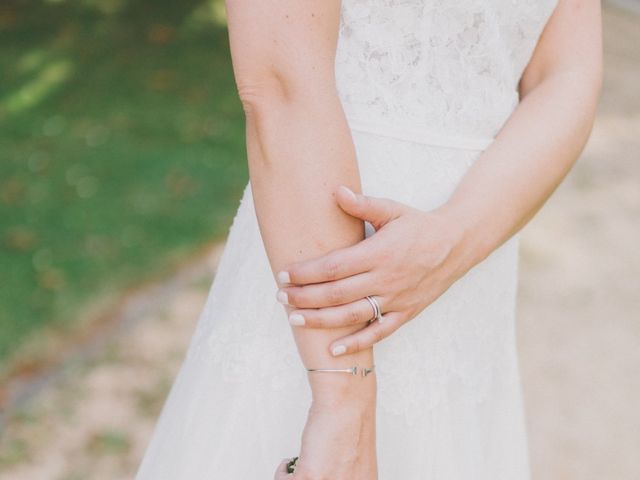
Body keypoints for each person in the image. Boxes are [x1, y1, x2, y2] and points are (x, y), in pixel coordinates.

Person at [135, 0, 602, 478]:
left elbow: (566, 74)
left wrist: (454, 238)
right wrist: (342, 401)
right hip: (317, 249)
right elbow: (282, 83)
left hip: (474, 265)